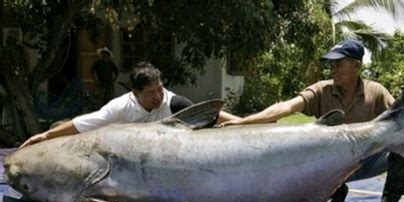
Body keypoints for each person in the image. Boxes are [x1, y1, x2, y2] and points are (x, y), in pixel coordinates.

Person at [222, 40, 404, 202]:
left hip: (365, 161)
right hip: (327, 166)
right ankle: (331, 192)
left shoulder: (376, 92)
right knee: (298, 148)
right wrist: (243, 122)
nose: (333, 70)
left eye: (339, 64)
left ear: (357, 65)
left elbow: (401, 118)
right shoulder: (322, 90)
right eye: (331, 65)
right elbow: (286, 106)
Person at [21, 62, 240, 148]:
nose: (158, 96)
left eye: (160, 89)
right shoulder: (118, 108)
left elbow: (211, 115)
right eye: (151, 93)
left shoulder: (174, 103)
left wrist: (246, 123)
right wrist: (45, 137)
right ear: (135, 93)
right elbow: (81, 124)